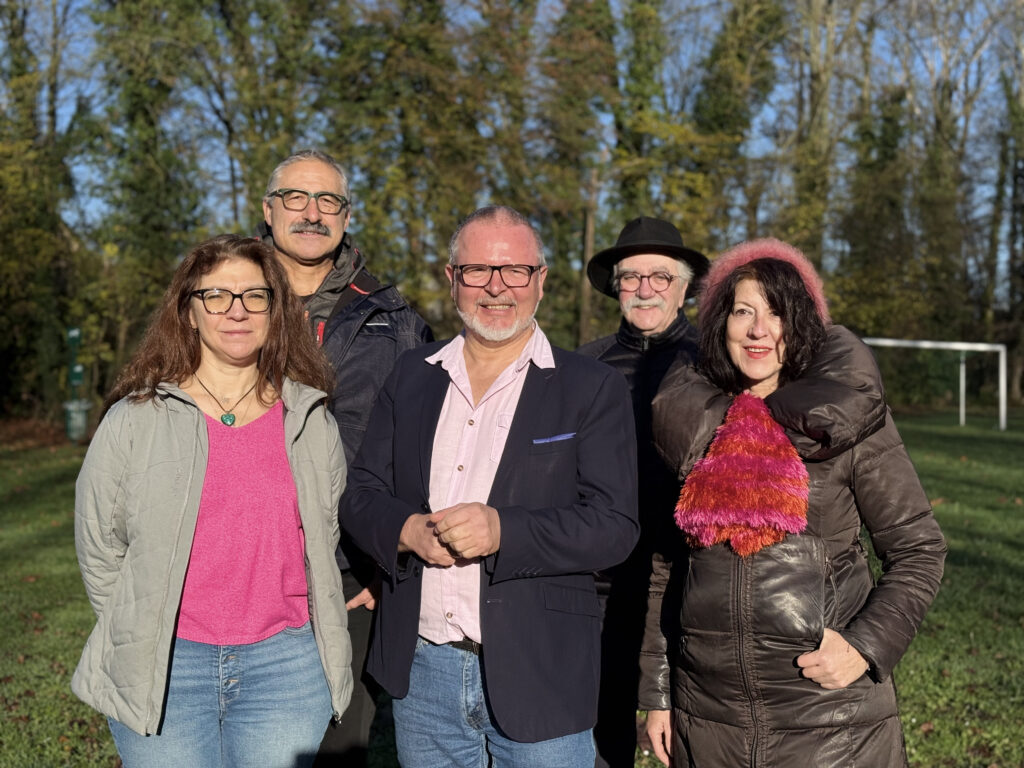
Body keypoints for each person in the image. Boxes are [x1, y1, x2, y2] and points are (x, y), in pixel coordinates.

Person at [340, 205, 640, 767]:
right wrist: (405, 530)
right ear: (452, 278)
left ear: (540, 280)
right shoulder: (412, 375)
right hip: (425, 668)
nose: (496, 287)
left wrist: (504, 530)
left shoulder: (591, 386)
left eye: (515, 270)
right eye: (478, 269)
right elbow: (360, 494)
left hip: (541, 669)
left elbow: (614, 527)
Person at [641, 238, 946, 766]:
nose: (759, 330)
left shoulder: (843, 422)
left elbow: (919, 549)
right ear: (720, 324)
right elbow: (666, 567)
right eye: (743, 311)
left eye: (776, 312)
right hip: (707, 719)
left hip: (831, 722)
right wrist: (658, 695)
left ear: (801, 323)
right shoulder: (689, 430)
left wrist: (864, 647)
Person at [71, 235, 352, 768]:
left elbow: (323, 533)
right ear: (189, 312)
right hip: (166, 666)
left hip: (285, 668)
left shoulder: (311, 421)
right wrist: (140, 631)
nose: (236, 311)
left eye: (254, 296)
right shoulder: (136, 419)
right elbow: (99, 545)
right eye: (216, 295)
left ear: (275, 310)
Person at [260, 148, 432, 765]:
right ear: (269, 210)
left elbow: (422, 449)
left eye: (327, 200)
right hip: (237, 564)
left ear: (346, 214)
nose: (312, 213)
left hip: (349, 571)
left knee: (338, 740)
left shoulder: (395, 318)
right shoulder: (222, 296)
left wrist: (388, 559)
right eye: (296, 198)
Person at [577, 216, 708, 768]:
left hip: (689, 580)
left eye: (660, 276)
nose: (645, 289)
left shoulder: (714, 361)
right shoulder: (584, 366)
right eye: (632, 277)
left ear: (683, 287)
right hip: (601, 584)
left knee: (691, 738)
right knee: (598, 737)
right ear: (616, 287)